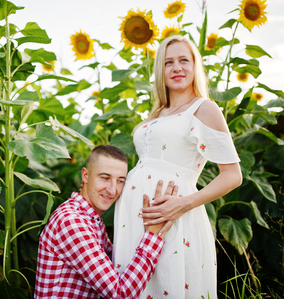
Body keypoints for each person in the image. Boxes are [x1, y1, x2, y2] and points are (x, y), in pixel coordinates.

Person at [112, 35, 242, 298]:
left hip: (174, 214)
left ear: (195, 66)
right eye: (168, 62)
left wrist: (183, 204)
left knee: (169, 283)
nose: (177, 68)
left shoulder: (204, 108)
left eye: (184, 60)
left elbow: (233, 175)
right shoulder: (158, 113)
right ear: (160, 69)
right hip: (136, 218)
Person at [34, 145, 179, 299]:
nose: (112, 189)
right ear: (85, 175)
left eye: (120, 181)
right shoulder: (71, 222)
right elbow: (120, 293)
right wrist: (153, 235)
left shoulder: (91, 219)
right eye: (105, 178)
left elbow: (116, 266)